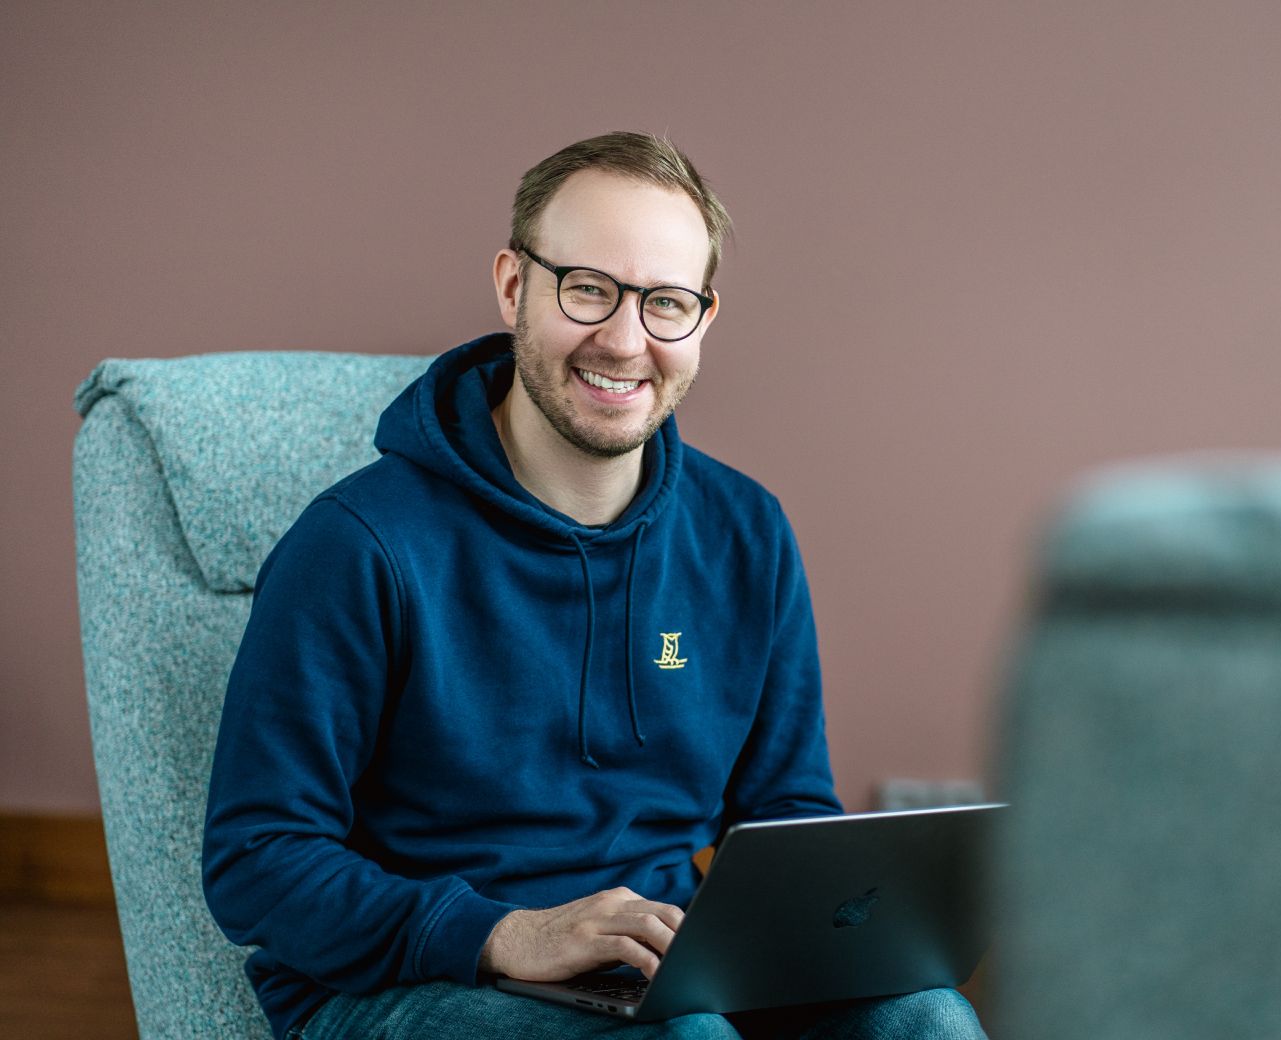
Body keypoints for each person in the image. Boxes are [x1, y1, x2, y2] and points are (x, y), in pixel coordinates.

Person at [202, 131, 986, 1040]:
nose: (624, 340)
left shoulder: (747, 533)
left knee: (927, 1020)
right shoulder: (358, 546)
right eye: (588, 290)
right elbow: (255, 861)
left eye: (664, 302)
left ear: (703, 318)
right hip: (407, 985)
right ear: (512, 286)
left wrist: (833, 927)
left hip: (663, 965)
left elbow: (783, 814)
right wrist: (502, 933)